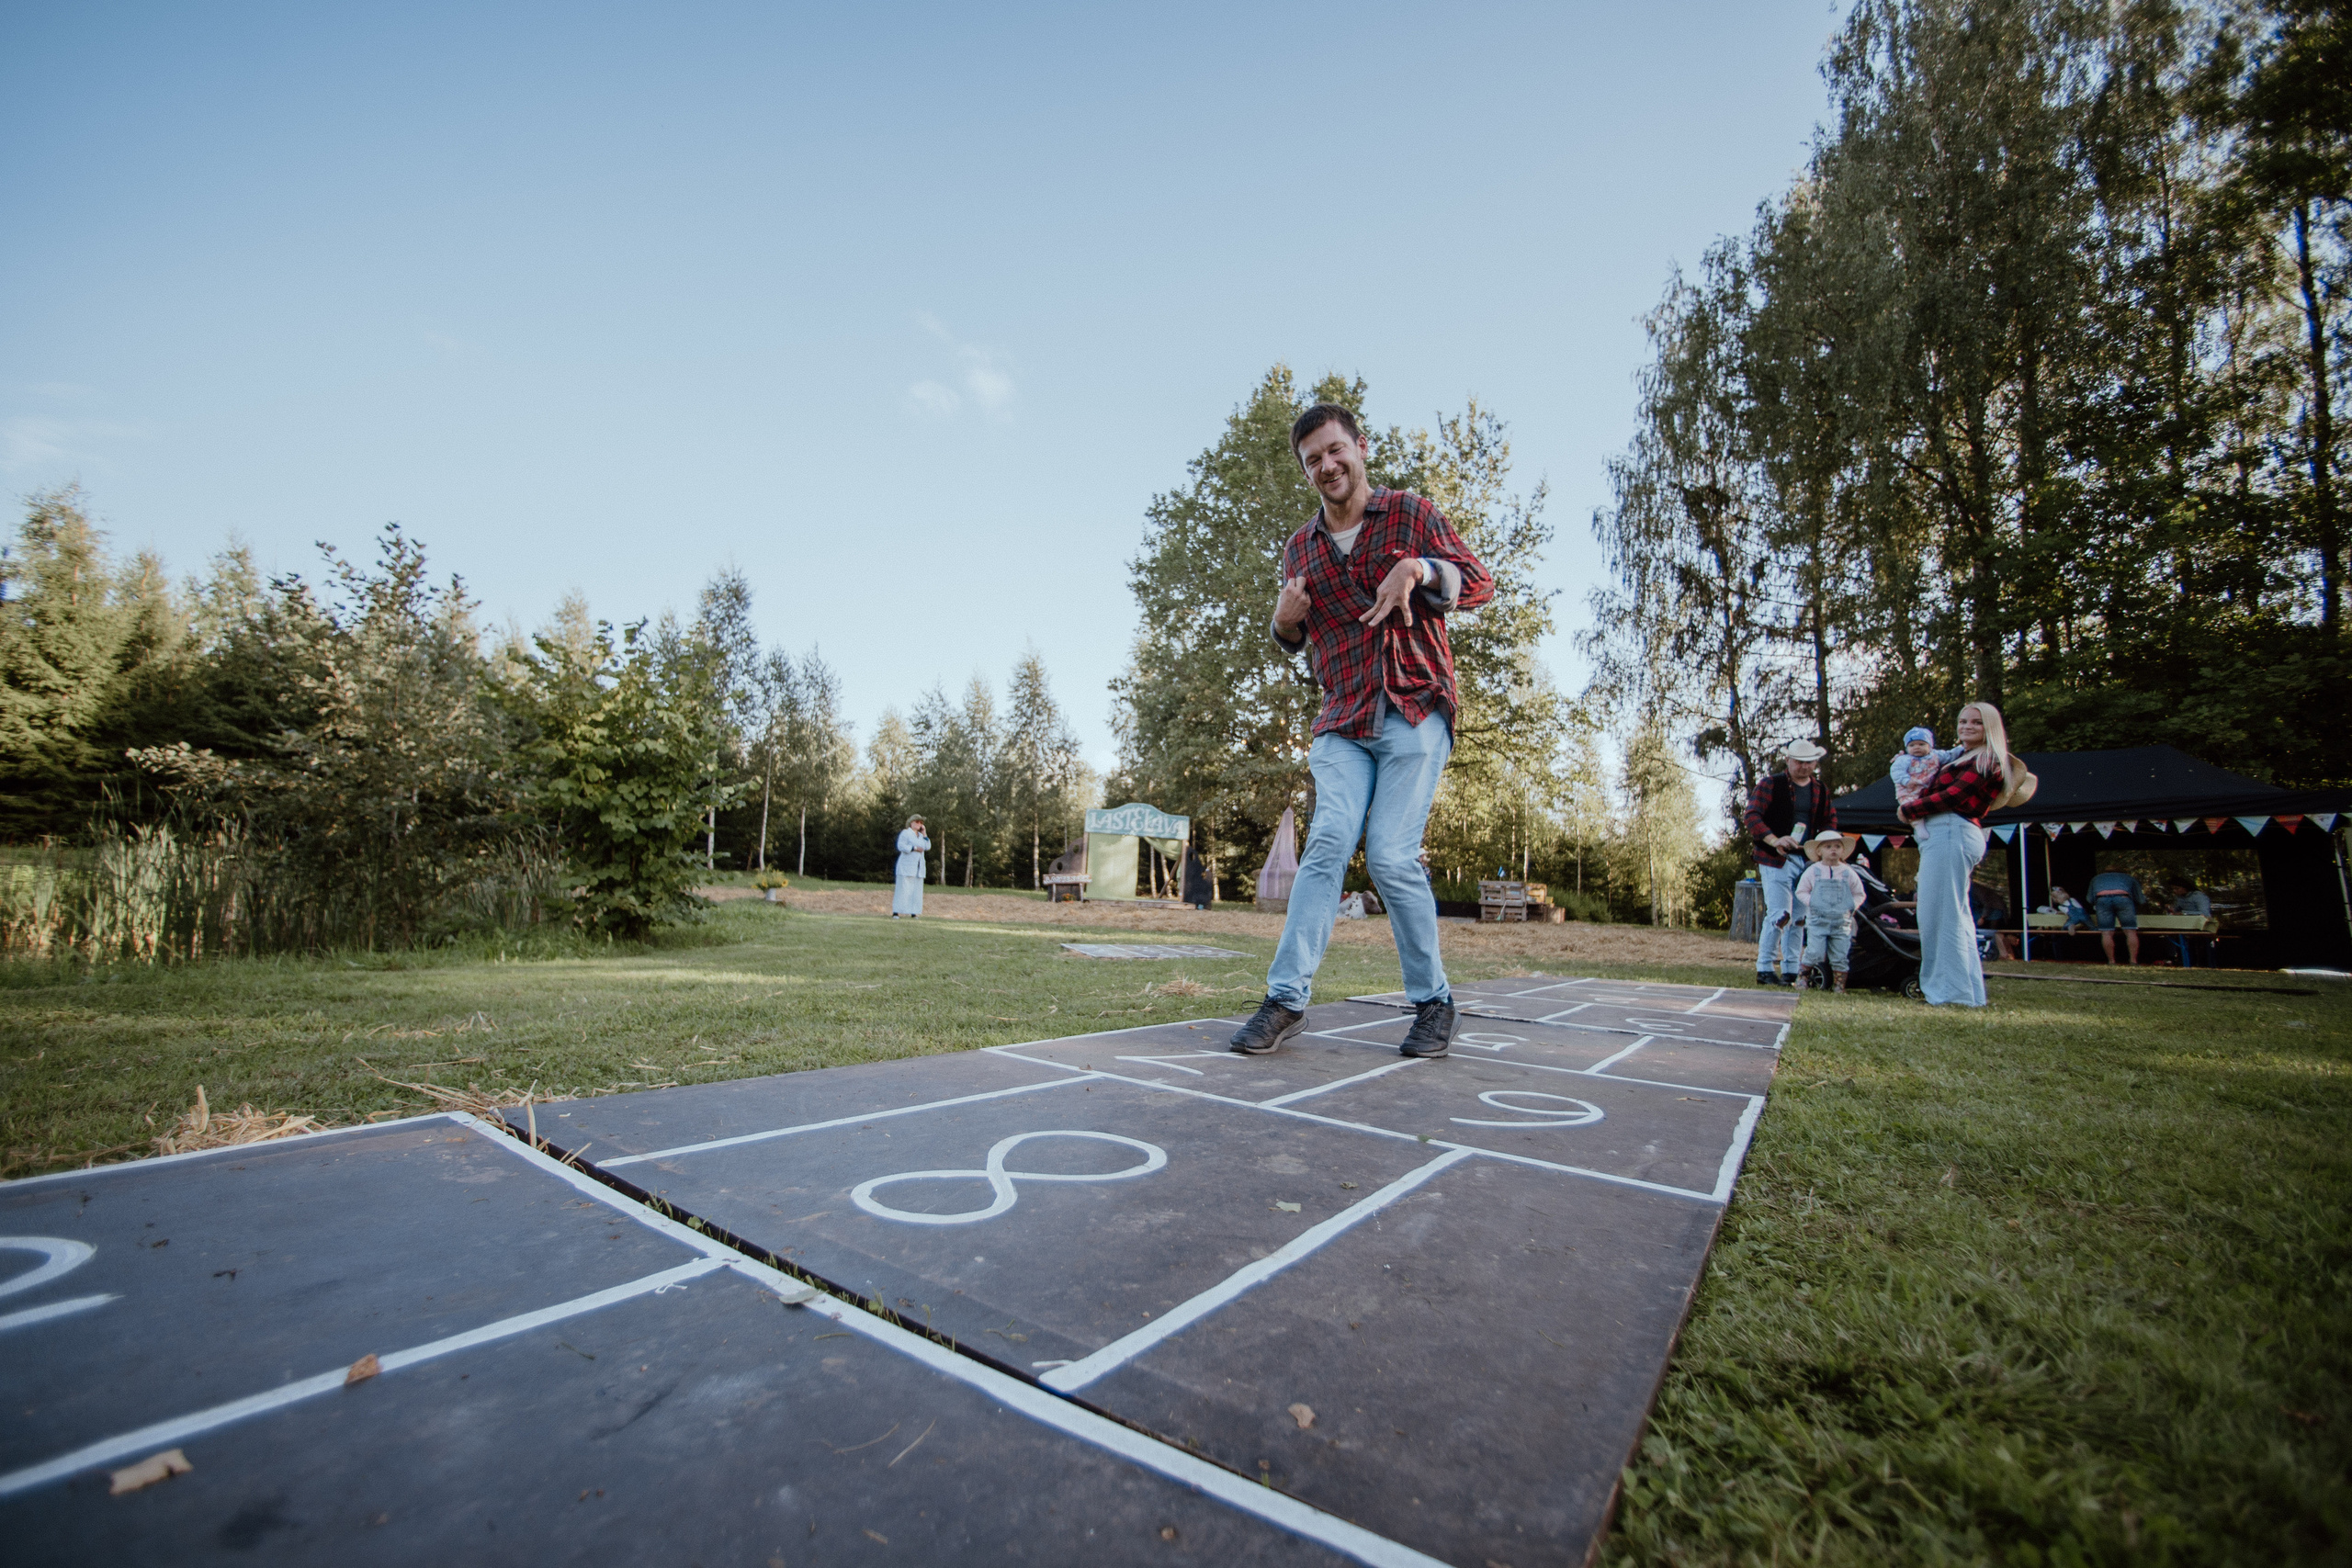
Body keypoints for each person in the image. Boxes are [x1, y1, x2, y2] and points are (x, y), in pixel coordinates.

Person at [1227, 403, 1493, 1059]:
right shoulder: (1301, 547)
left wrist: (1421, 570)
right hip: (1344, 716)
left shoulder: (1409, 514)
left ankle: (1433, 1001)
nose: (1327, 465)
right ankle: (1286, 999)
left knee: (1390, 855)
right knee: (1326, 844)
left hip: (1413, 705)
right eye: (1313, 459)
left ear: (1359, 447)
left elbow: (1479, 582)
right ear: (1306, 469)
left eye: (1335, 450)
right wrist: (1282, 620)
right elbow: (1294, 636)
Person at [1898, 702, 2032, 1007]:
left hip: (1952, 830)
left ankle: (1949, 993)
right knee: (1952, 914)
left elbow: (1954, 796)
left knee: (1940, 915)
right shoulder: (1961, 757)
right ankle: (1964, 992)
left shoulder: (1987, 759)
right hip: (1948, 833)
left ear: (1990, 728)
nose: (1967, 726)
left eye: (1976, 722)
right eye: (1962, 721)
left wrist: (1909, 809)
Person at [1744, 739, 1837, 986]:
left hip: (1807, 859)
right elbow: (1752, 816)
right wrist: (1774, 840)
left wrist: (1824, 847)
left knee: (1799, 917)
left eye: (1809, 763)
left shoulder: (1820, 790)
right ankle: (1764, 967)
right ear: (1788, 761)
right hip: (1776, 858)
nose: (1804, 767)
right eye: (1799, 762)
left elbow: (1829, 822)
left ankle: (1791, 969)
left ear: (1815, 763)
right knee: (1779, 913)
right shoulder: (1770, 784)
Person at [1792, 830, 1866, 992]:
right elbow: (1801, 891)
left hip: (1841, 922)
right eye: (1828, 847)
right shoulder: (1813, 871)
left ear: (1842, 850)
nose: (1833, 850)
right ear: (1819, 851)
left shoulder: (1848, 873)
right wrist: (1812, 902)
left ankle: (1839, 985)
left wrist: (1851, 906)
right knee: (1814, 951)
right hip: (1818, 921)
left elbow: (1859, 893)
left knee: (1840, 955)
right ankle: (1802, 978)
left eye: (1837, 846)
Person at [1890, 727, 1965, 809]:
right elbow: (1896, 771)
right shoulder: (1904, 759)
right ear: (1907, 748)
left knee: (1930, 805)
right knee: (1910, 808)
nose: (1917, 747)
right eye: (1912, 745)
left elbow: (1949, 755)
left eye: (1921, 744)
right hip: (1909, 791)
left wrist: (1962, 749)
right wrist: (1905, 780)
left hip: (1929, 790)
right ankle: (1916, 821)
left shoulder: (1935, 755)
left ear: (1930, 746)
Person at [2086, 863, 2143, 964]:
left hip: (2102, 900)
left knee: (2106, 932)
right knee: (2130, 931)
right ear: (2121, 871)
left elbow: (2089, 899)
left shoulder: (2096, 878)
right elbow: (2141, 899)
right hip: (2123, 899)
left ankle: (2111, 961)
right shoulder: (2128, 877)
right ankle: (2133, 961)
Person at [2169, 877, 2214, 967]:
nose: (2175, 891)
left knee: (2198, 942)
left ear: (2185, 888)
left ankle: (2201, 963)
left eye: (2177, 888)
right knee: (2173, 935)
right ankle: (2180, 960)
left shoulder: (2198, 896)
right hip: (2185, 926)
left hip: (2201, 926)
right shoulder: (2179, 898)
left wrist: (2185, 913)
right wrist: (2172, 910)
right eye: (2173, 889)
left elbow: (2204, 913)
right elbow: (2176, 909)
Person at [891, 816, 930, 919]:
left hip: (918, 867)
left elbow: (927, 846)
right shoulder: (906, 833)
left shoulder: (921, 836)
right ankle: (896, 912)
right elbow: (901, 846)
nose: (919, 824)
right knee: (903, 889)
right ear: (911, 822)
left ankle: (914, 912)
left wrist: (924, 833)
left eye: (921, 823)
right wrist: (914, 848)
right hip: (906, 866)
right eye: (917, 822)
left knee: (916, 891)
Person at [1968, 880, 2017, 961]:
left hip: (1996, 909)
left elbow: (1987, 904)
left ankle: (2001, 953)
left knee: (1995, 932)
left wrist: (1983, 917)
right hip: (1982, 910)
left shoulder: (1977, 890)